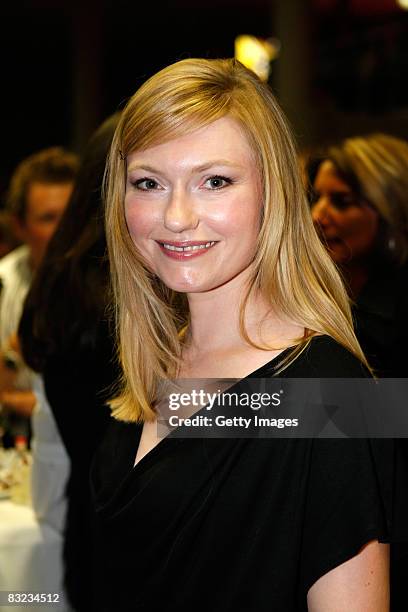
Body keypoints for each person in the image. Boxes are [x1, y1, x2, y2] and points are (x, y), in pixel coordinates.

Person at [90, 59, 397, 611]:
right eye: (149, 183)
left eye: (214, 181)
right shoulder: (153, 365)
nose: (177, 216)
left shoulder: (337, 394)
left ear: (272, 192)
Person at [19, 114, 120, 612]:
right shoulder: (113, 303)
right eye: (150, 183)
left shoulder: (66, 284)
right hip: (136, 555)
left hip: (95, 539)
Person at [308, 134, 408, 377]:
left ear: (391, 211)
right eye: (315, 199)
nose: (317, 217)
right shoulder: (317, 293)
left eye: (341, 202)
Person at [0, 147, 78, 444]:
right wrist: (12, 352)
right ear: (20, 226)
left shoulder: (111, 286)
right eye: (48, 218)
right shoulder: (4, 282)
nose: (65, 231)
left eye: (71, 216)